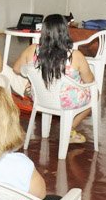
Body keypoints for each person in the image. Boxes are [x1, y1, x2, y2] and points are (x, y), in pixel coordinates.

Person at [13, 14, 95, 144]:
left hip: (40, 96)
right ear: (65, 32)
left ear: (44, 31)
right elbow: (90, 81)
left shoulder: (33, 50)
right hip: (65, 100)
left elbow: (17, 69)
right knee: (95, 95)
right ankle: (69, 128)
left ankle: (66, 129)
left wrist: (32, 76)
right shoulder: (75, 55)